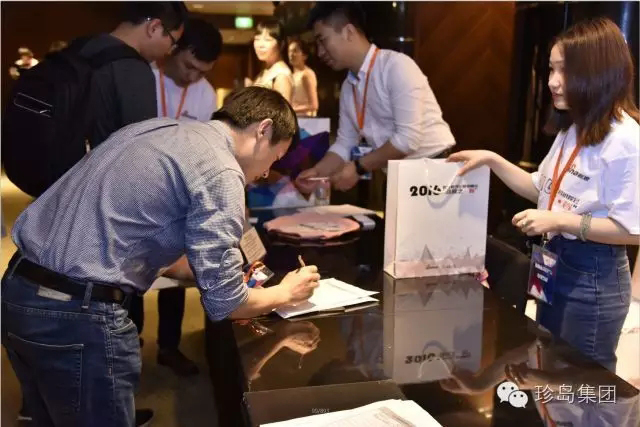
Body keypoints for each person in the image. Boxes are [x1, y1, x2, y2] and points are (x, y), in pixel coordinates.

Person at [1, 86, 320, 427]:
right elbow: (226, 304)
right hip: (78, 316)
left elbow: (125, 231)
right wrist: (287, 292)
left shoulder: (160, 129)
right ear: (264, 129)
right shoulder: (222, 171)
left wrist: (209, 272)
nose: (265, 174)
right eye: (274, 159)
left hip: (19, 291)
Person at [449, 17, 639, 372]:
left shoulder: (626, 141)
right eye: (551, 69)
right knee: (547, 369)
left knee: (580, 384)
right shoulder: (574, 127)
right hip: (554, 263)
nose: (552, 81)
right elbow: (543, 188)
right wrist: (492, 160)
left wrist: (559, 221)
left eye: (564, 70)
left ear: (597, 71)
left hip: (591, 276)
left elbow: (632, 230)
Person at [128, 18, 223, 377]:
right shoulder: (143, 78)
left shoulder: (205, 93)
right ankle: (131, 343)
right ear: (174, 49)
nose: (192, 77)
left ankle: (169, 346)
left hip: (178, 191)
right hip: (136, 187)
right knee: (133, 270)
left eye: (201, 72)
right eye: (188, 66)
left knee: (177, 270)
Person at [296, 2, 455, 194]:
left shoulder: (396, 66)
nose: (320, 52)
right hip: (396, 174)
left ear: (348, 32)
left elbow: (407, 139)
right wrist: (317, 173)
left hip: (435, 172)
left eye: (323, 40)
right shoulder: (349, 87)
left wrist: (359, 168)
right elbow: (345, 143)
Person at [245, 19, 293, 102]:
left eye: (267, 40)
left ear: (281, 44)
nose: (260, 45)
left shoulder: (281, 76)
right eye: (257, 39)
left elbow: (282, 110)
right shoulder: (266, 69)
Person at [288, 37, 319, 117]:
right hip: (295, 118)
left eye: (295, 51)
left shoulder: (307, 74)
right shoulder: (292, 75)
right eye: (289, 51)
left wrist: (291, 109)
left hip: (305, 119)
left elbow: (314, 105)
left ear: (304, 55)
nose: (291, 54)